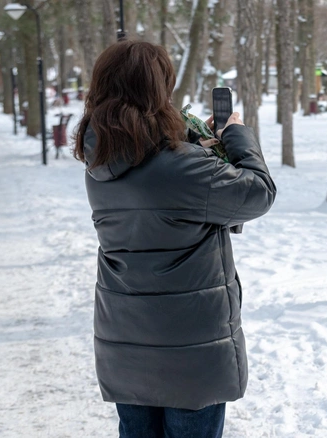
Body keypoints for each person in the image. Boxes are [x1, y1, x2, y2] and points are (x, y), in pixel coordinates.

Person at [73, 40, 276, 438]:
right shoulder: (183, 167)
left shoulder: (99, 159)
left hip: (125, 339)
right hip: (190, 350)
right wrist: (236, 136)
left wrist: (186, 139)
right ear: (157, 89)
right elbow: (257, 193)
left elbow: (156, 181)